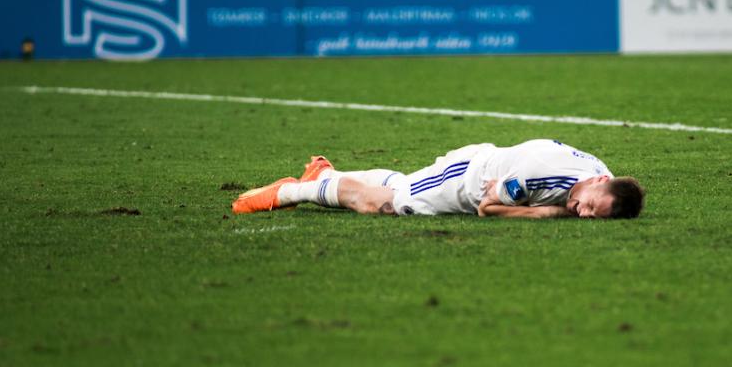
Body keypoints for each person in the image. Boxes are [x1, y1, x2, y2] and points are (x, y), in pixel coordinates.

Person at [232, 138, 645, 219]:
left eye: (595, 215)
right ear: (596, 185)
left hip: (484, 161)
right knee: (385, 204)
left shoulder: (601, 175)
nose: (583, 213)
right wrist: (546, 213)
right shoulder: (538, 174)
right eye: (590, 206)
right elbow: (488, 208)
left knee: (400, 185)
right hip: (465, 181)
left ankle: (325, 173)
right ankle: (292, 191)